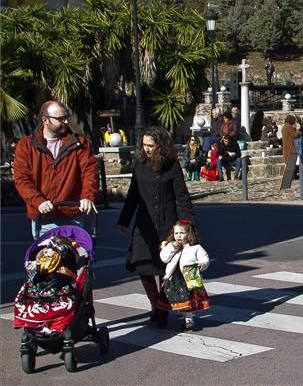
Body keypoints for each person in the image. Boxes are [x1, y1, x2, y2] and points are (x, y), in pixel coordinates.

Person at [117, 126, 195, 328]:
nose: (146, 149)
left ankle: (163, 305)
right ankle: (156, 303)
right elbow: (133, 195)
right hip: (143, 225)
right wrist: (124, 220)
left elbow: (182, 197)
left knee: (165, 269)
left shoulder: (172, 166)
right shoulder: (140, 165)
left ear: (160, 145)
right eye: (144, 145)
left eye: (150, 145)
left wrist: (188, 225)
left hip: (167, 224)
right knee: (142, 265)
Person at [13, 101, 99, 237]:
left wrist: (87, 197)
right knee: (46, 256)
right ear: (45, 120)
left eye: (67, 117)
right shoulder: (26, 146)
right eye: (60, 119)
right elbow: (22, 179)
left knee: (76, 255)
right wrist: (38, 202)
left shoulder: (79, 143)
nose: (65, 121)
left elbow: (90, 172)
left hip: (73, 214)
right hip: (43, 216)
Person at [158, 219, 210, 331]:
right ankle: (182, 316)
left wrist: (202, 264)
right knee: (176, 300)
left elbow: (205, 258)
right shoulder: (171, 246)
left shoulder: (195, 248)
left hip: (187, 278)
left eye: (182, 233)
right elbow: (164, 258)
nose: (178, 236)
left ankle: (188, 320)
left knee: (187, 300)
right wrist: (171, 248)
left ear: (189, 234)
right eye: (176, 233)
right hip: (173, 278)